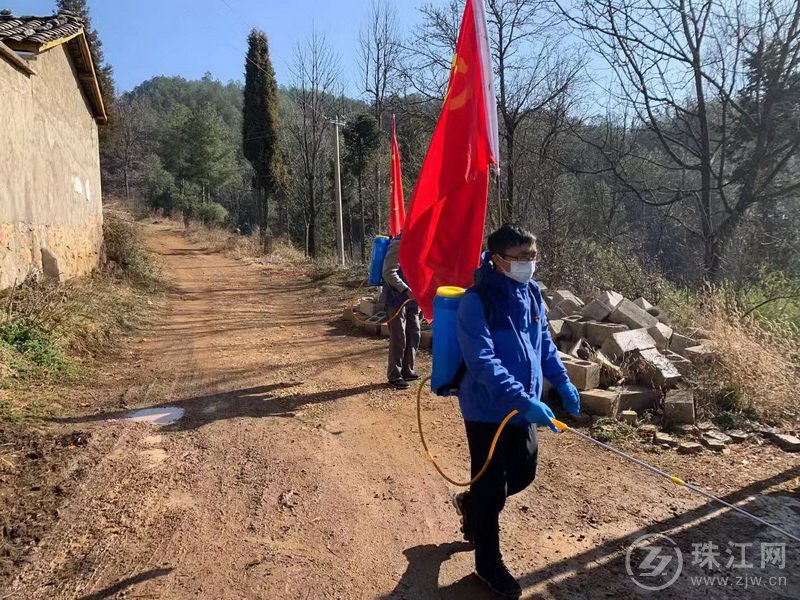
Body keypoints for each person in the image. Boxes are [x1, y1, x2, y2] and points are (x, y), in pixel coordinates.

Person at [453, 224, 580, 598]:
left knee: (523, 474)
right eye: (522, 257)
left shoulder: (532, 295)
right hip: (487, 410)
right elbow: (482, 362)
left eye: (533, 256)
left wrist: (562, 382)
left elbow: (544, 346)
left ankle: (470, 503)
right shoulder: (476, 301)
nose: (529, 263)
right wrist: (522, 400)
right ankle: (488, 565)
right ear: (498, 260)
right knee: (493, 489)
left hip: (523, 409)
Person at [382, 234, 421, 390]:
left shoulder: (419, 244)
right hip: (395, 298)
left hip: (413, 298)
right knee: (399, 337)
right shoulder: (398, 243)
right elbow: (388, 272)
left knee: (414, 333)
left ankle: (408, 370)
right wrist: (405, 289)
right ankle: (395, 375)